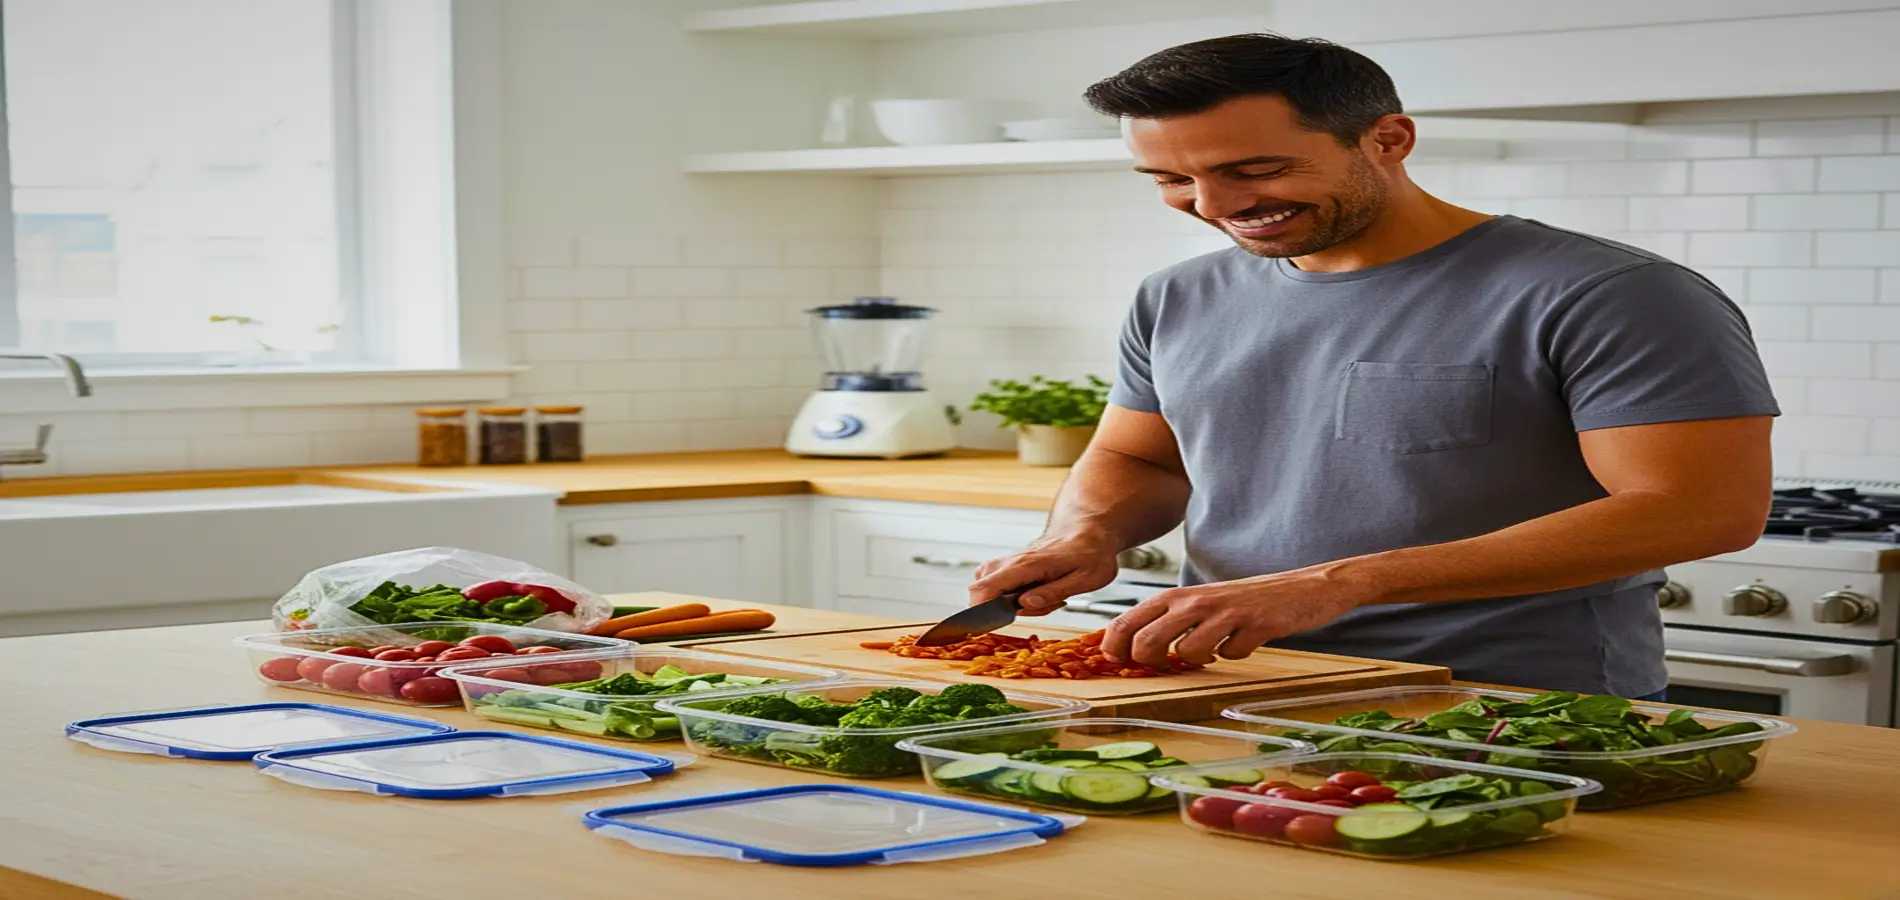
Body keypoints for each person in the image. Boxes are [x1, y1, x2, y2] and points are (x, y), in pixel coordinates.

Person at [966, 33, 1778, 698]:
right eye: (1174, 180)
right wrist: (1085, 533)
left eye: (1255, 170)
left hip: (1503, 703)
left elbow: (1700, 509)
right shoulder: (1177, 295)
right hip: (1229, 686)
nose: (1214, 209)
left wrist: (1337, 582)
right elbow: (1138, 455)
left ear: (1388, 139)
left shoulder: (1607, 292)